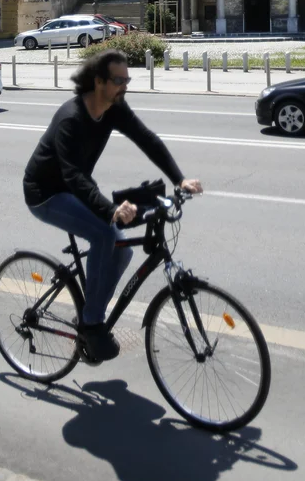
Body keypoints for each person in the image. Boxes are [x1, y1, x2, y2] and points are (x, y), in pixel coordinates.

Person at [23, 49, 202, 362]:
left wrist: (179, 179)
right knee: (105, 235)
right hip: (46, 193)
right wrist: (110, 210)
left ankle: (95, 314)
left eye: (127, 79)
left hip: (75, 190)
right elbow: (74, 176)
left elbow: (147, 139)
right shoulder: (71, 118)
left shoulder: (114, 107)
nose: (125, 86)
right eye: (119, 80)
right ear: (99, 82)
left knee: (123, 249)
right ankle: (91, 324)